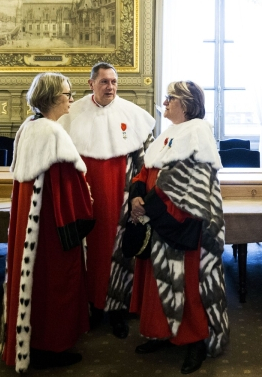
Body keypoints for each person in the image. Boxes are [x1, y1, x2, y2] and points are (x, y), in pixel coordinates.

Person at [128, 81, 229, 374]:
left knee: (187, 285)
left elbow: (186, 187)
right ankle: (163, 332)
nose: (165, 101)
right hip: (156, 218)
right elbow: (146, 169)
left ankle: (194, 340)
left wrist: (145, 206)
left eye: (170, 98)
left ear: (185, 104)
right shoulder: (170, 132)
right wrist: (136, 194)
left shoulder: (198, 133)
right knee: (158, 283)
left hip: (180, 224)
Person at [0, 73, 95, 372]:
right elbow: (67, 189)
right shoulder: (52, 134)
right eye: (67, 93)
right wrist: (88, 211)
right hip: (52, 231)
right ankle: (50, 347)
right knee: (55, 285)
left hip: (33, 224)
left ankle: (34, 343)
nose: (71, 97)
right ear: (53, 98)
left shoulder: (30, 128)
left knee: (34, 286)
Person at [58, 62, 155, 338]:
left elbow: (145, 165)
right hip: (84, 198)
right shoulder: (71, 114)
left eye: (113, 82)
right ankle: (89, 308)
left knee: (119, 251)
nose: (110, 87)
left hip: (121, 199)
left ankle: (117, 310)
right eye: (104, 82)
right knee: (87, 252)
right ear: (91, 84)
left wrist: (139, 198)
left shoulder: (134, 115)